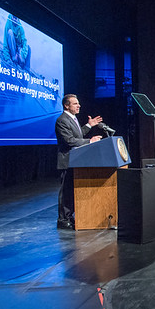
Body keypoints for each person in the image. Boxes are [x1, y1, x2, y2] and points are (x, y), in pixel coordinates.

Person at [55, 94, 103, 229]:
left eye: (78, 103)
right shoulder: (62, 120)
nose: (79, 106)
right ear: (66, 105)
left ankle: (70, 217)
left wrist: (89, 125)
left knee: (72, 191)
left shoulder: (72, 119)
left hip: (76, 160)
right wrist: (90, 141)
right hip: (67, 160)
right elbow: (69, 140)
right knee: (66, 192)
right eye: (75, 104)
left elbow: (78, 135)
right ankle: (63, 220)